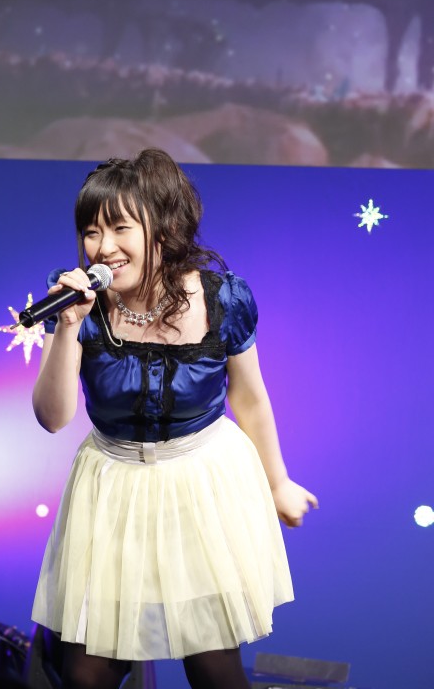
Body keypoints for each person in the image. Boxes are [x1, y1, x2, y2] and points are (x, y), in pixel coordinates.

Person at [31, 149, 318, 689]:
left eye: (120, 228)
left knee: (212, 665)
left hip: (197, 486)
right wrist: (67, 327)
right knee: (87, 673)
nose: (103, 247)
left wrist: (277, 482)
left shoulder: (221, 298)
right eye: (91, 232)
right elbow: (52, 416)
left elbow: (250, 398)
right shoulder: (78, 303)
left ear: (162, 229)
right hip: (111, 489)